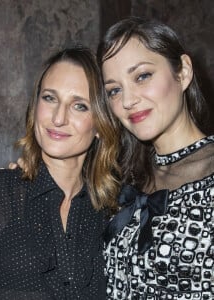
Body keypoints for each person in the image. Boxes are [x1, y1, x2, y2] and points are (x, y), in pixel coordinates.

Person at [0, 46, 121, 300]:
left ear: (101, 125)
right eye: (49, 98)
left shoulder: (112, 211)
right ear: (35, 107)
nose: (58, 118)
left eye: (79, 106)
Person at [97, 16, 214, 299]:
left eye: (142, 76)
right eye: (115, 90)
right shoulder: (122, 178)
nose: (127, 101)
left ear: (183, 72)